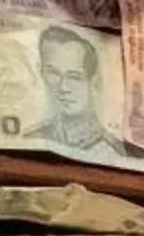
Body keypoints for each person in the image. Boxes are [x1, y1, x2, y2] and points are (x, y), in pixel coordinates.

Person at [35, 24, 109, 156]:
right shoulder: (33, 137)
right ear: (41, 72)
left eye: (74, 77)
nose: (63, 87)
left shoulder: (112, 149)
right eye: (54, 74)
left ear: (94, 82)